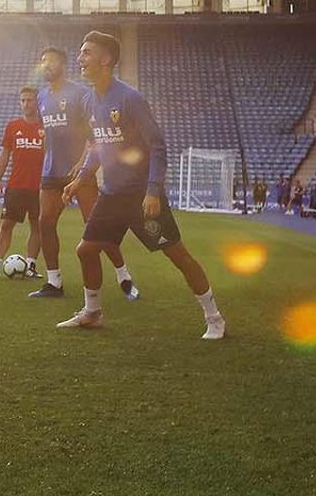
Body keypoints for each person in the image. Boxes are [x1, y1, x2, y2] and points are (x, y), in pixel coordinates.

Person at [56, 31, 226, 340]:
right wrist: (80, 179)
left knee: (178, 256)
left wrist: (152, 191)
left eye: (86, 53)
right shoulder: (88, 100)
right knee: (86, 250)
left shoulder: (130, 98)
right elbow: (98, 147)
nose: (80, 59)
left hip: (140, 196)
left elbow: (157, 146)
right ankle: (92, 312)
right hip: (111, 195)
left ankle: (214, 317)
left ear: (106, 59)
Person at [29, 46, 138, 301]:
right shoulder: (42, 96)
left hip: (80, 171)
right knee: (45, 223)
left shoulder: (80, 94)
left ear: (63, 65)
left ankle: (123, 274)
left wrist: (82, 162)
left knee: (95, 226)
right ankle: (53, 282)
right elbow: (49, 136)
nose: (46, 65)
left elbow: (95, 134)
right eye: (43, 61)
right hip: (51, 172)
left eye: (51, 61)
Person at [0, 87, 44, 280]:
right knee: (6, 225)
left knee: (37, 227)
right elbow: (5, 154)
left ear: (37, 102)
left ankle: (31, 266)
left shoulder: (45, 128)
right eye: (23, 100)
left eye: (30, 100)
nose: (26, 104)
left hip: (39, 188)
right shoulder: (13, 126)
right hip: (16, 185)